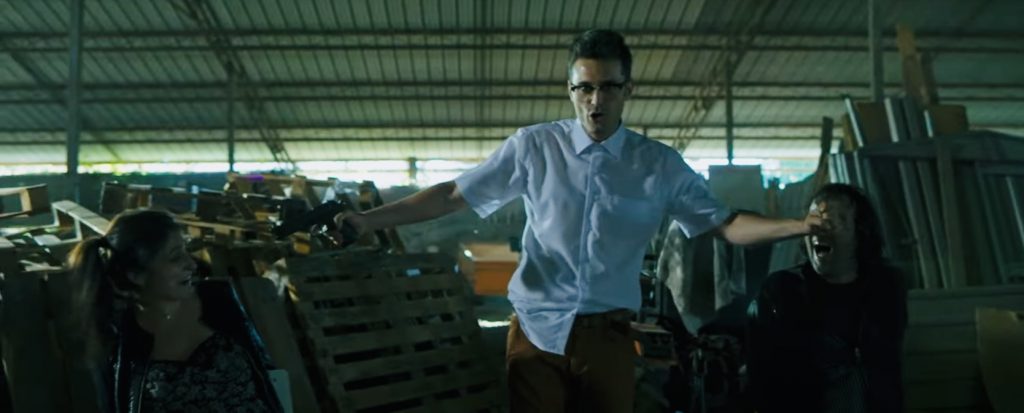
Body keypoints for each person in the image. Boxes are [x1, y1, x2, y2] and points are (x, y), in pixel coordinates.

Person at [332, 29, 821, 412]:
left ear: (628, 89)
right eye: (585, 88)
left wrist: (800, 226)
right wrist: (369, 220)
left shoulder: (658, 165)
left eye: (608, 87)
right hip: (535, 331)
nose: (596, 100)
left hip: (608, 337)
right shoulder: (534, 147)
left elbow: (725, 224)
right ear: (570, 89)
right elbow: (453, 195)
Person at [68, 209, 283, 413]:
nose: (191, 265)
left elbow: (268, 379)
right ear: (136, 274)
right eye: (175, 257)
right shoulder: (118, 339)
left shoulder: (219, 302)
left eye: (186, 251)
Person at [746, 183, 907, 413]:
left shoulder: (886, 287)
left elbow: (889, 369)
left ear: (860, 233)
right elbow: (762, 381)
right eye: (815, 220)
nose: (821, 229)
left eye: (836, 221)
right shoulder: (781, 292)